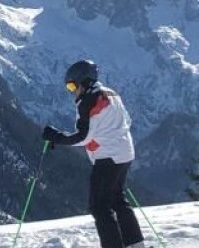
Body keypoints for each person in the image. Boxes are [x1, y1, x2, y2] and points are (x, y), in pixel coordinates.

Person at [42, 60, 146, 248]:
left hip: (107, 157)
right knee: (117, 200)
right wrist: (106, 137)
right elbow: (127, 121)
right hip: (125, 152)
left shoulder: (88, 100)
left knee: (99, 207)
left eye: (72, 85)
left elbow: (83, 136)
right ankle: (137, 245)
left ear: (85, 81)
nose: (71, 90)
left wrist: (57, 137)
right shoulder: (112, 93)